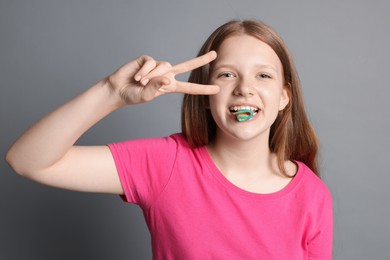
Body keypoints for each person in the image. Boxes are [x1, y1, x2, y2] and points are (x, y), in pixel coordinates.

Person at [6, 20, 333, 259]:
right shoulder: (166, 164)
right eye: (227, 74)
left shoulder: (312, 195)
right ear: (205, 96)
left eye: (263, 75)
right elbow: (27, 161)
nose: (244, 88)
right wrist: (110, 93)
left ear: (283, 97)